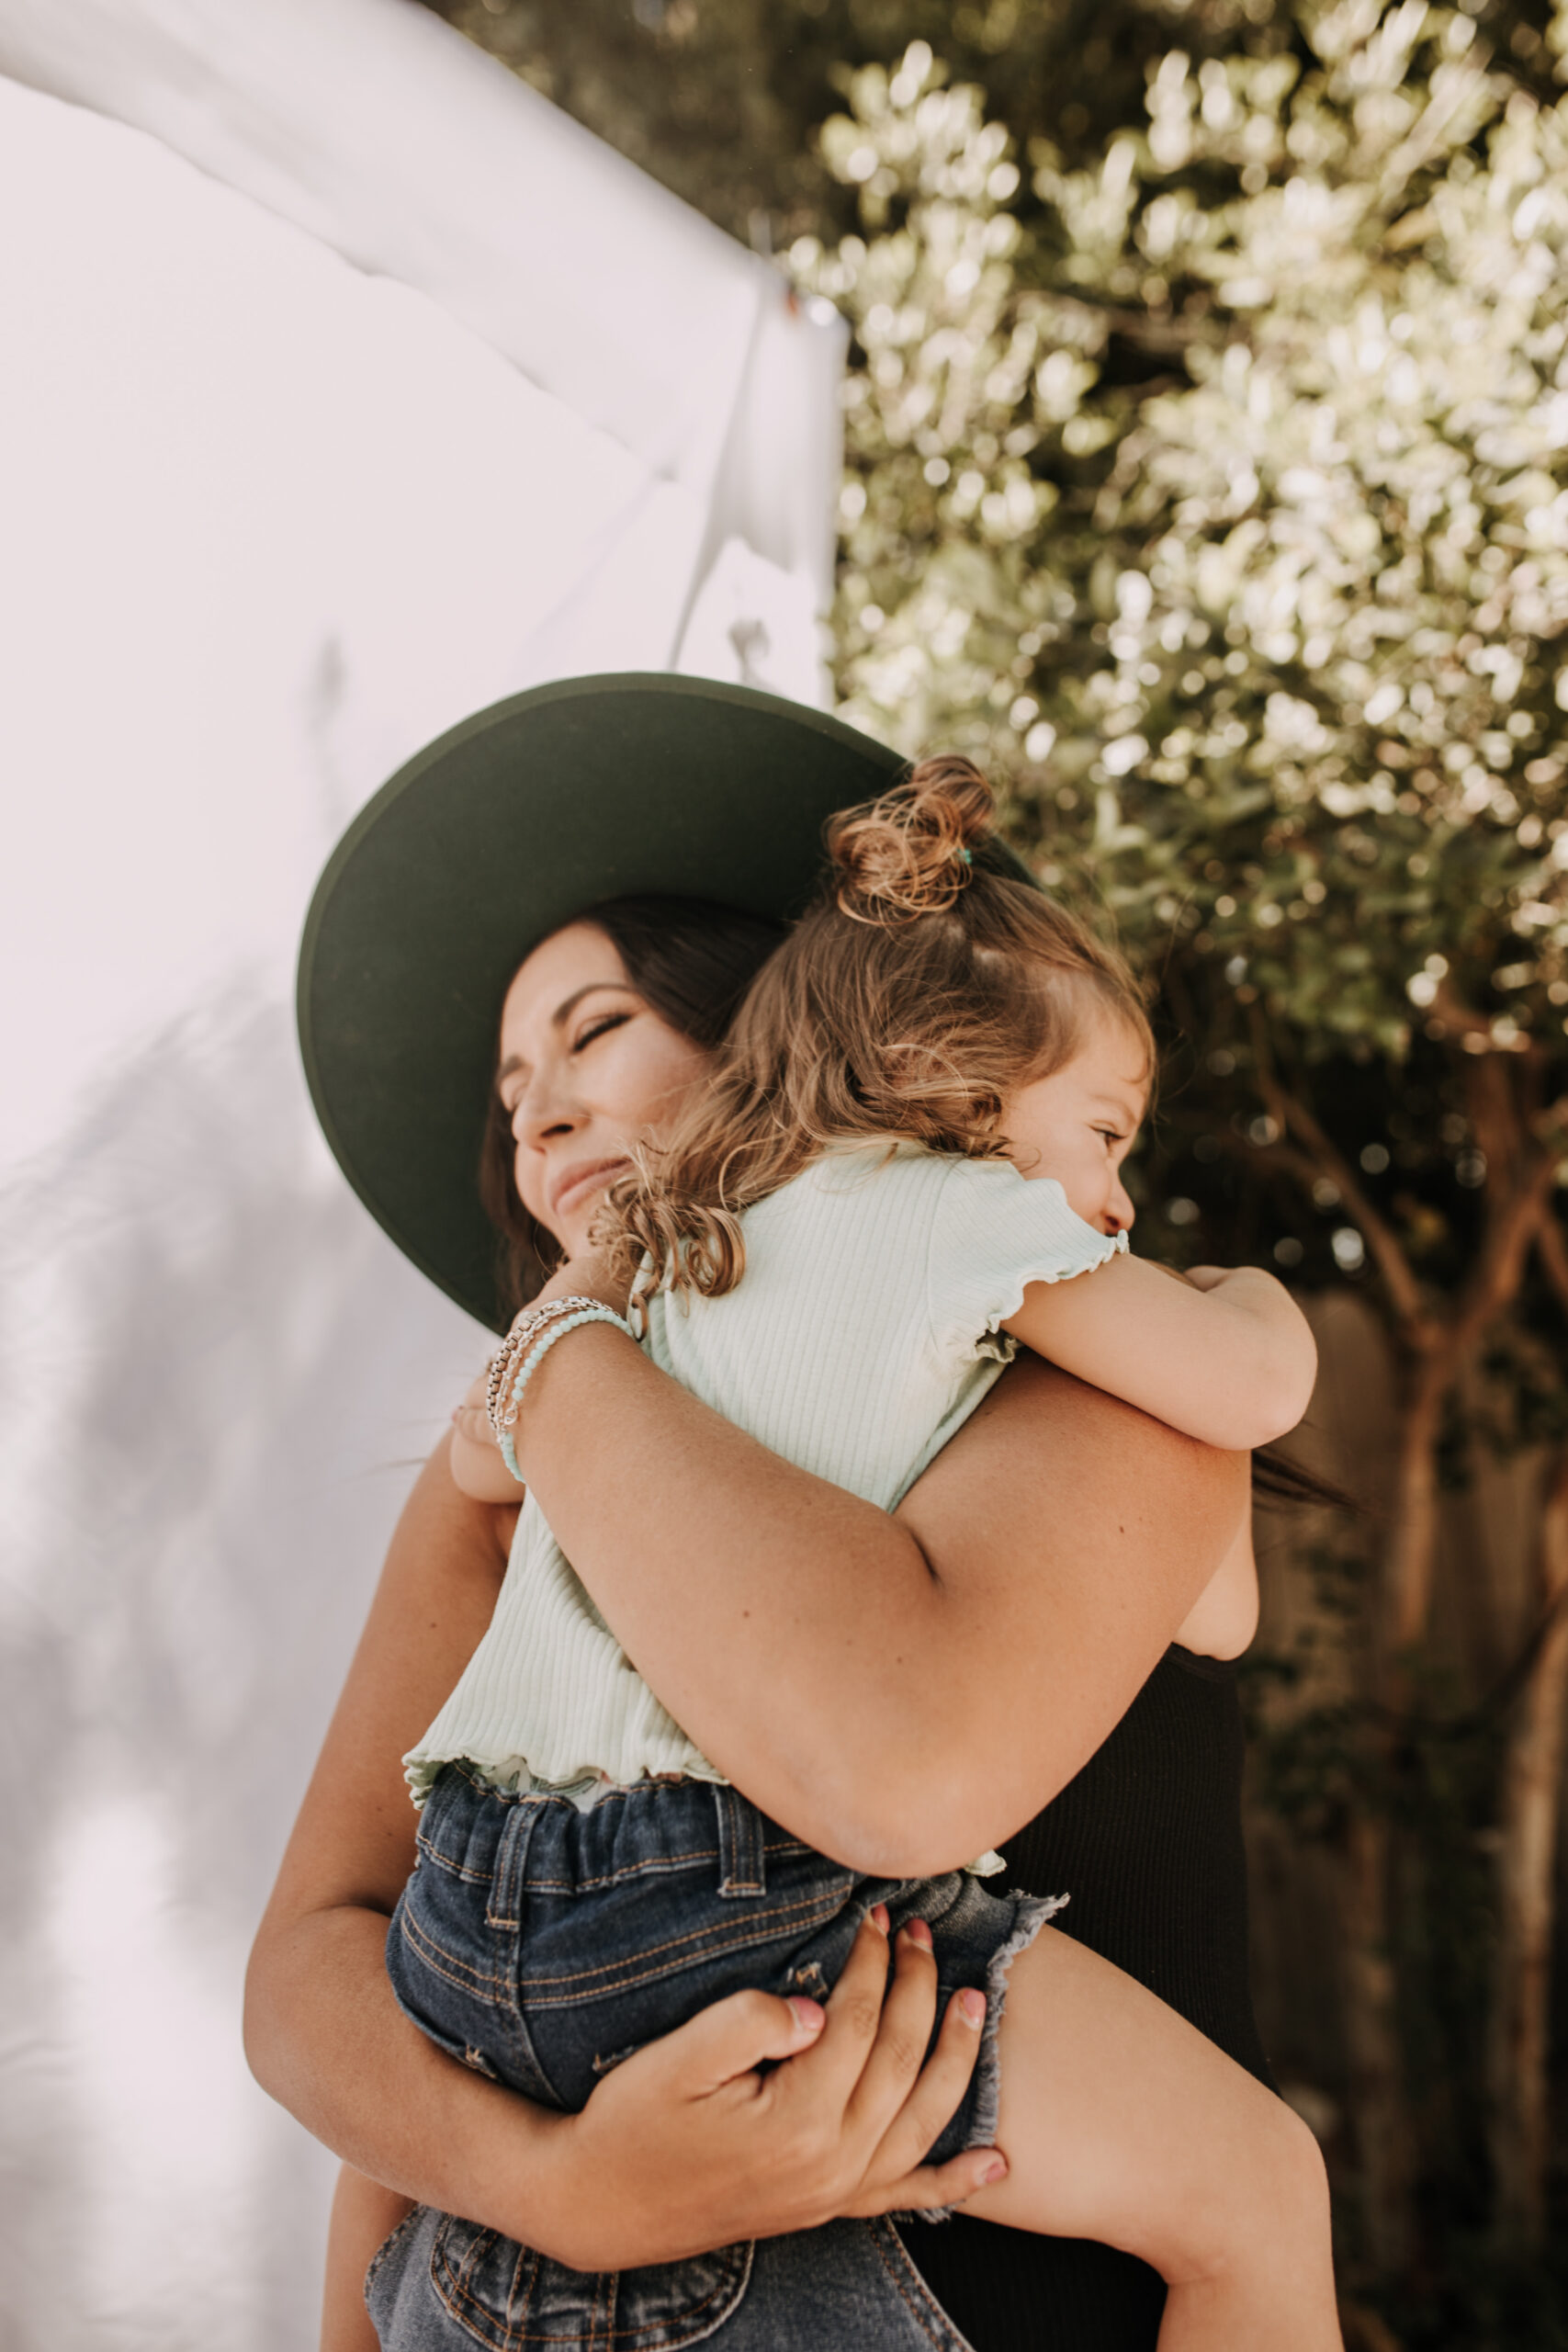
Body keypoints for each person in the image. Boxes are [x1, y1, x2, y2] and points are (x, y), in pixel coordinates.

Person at [245, 677, 1309, 2350]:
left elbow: (894, 1765)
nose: (529, 1107)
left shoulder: (1098, 1370)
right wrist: (554, 2186)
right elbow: (323, 1969)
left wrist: (566, 1356)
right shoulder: (506, 1474)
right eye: (509, 1080)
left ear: (812, 1031)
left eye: (594, 1029)